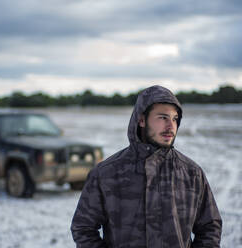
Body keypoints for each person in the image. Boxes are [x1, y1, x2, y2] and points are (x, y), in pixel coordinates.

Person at [71, 85, 222, 248]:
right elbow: (83, 228)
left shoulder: (192, 173)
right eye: (163, 118)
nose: (171, 127)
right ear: (141, 120)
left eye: (174, 119)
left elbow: (210, 228)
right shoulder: (107, 173)